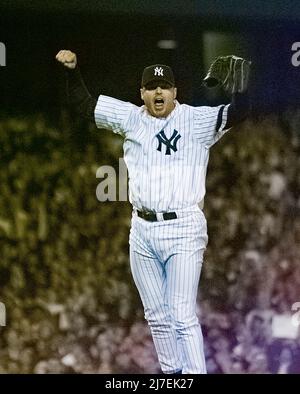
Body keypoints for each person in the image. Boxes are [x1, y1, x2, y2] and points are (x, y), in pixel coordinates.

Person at [55, 50, 250, 374]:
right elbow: (84, 105)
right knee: (156, 314)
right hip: (142, 230)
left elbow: (240, 112)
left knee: (181, 312)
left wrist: (241, 90)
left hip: (184, 227)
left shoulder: (195, 120)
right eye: (151, 87)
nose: (158, 92)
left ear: (175, 92)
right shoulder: (131, 117)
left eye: (164, 87)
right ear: (142, 93)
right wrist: (72, 71)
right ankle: (172, 375)